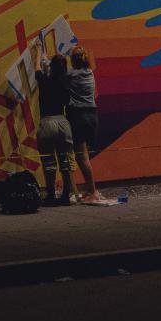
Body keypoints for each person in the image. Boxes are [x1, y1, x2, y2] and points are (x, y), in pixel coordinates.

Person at [33, 45, 74, 205]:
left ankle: (51, 195)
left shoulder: (45, 80)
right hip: (63, 122)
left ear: (51, 67)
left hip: (47, 122)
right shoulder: (66, 84)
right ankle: (65, 195)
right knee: (65, 162)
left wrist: (38, 52)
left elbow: (37, 68)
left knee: (49, 162)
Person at [66, 45, 108, 204]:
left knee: (82, 158)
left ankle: (92, 191)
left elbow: (57, 76)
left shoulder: (71, 76)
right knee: (85, 156)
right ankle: (90, 189)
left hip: (79, 116)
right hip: (92, 115)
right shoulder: (90, 73)